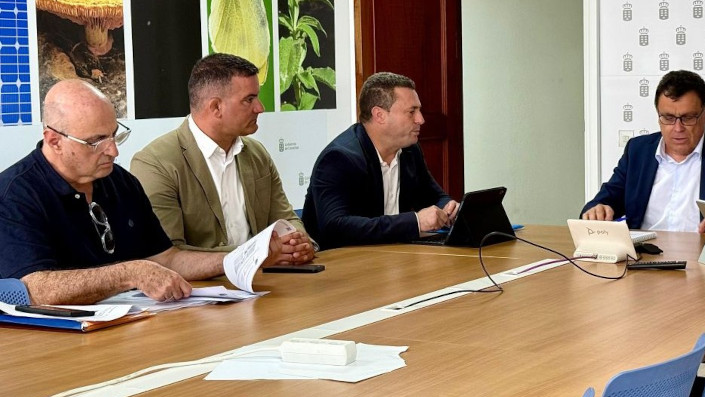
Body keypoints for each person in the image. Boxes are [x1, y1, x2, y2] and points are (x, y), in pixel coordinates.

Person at [0, 79, 281, 305]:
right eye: (96, 141)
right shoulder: (16, 194)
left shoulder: (119, 180)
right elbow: (35, 289)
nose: (113, 150)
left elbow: (165, 259)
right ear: (54, 141)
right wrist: (130, 273)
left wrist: (239, 259)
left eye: (115, 135)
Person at [130, 53, 314, 265]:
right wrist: (254, 255)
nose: (260, 108)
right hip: (199, 285)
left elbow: (286, 218)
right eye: (249, 99)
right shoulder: (155, 164)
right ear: (216, 107)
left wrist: (298, 243)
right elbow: (166, 256)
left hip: (265, 279)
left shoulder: (257, 154)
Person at [581, 70, 705, 234]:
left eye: (688, 118)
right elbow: (605, 200)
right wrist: (597, 210)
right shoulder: (638, 150)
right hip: (643, 256)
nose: (678, 128)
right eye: (668, 118)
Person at [302, 72, 458, 248]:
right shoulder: (338, 158)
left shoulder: (409, 151)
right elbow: (335, 228)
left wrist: (450, 209)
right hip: (346, 259)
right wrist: (415, 222)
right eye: (411, 112)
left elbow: (433, 196)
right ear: (379, 115)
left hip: (394, 255)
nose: (420, 119)